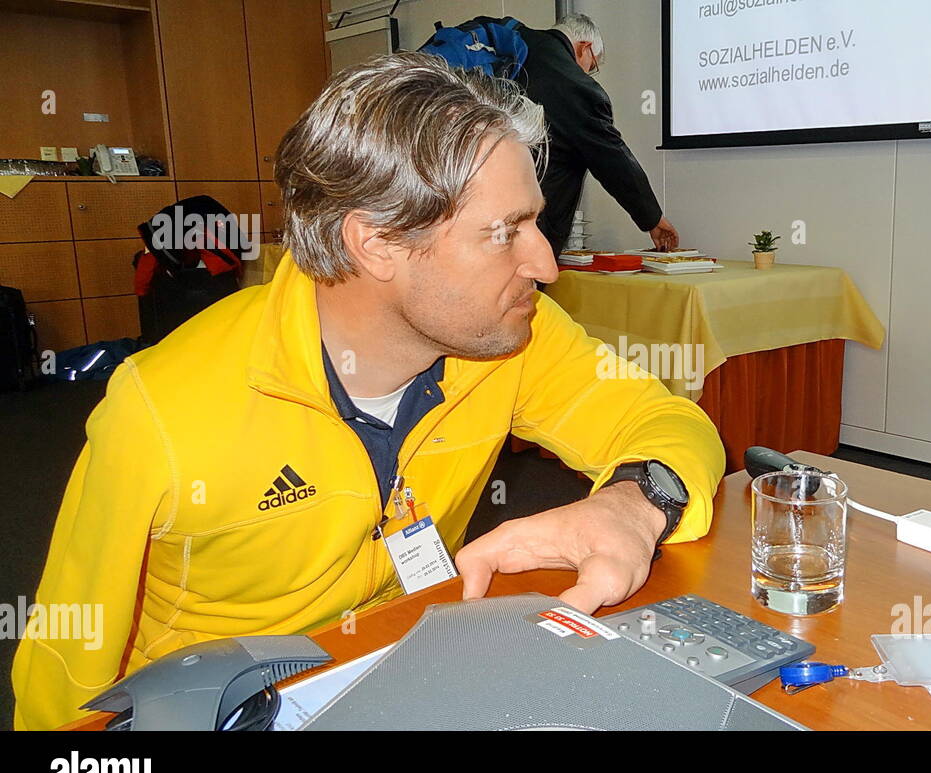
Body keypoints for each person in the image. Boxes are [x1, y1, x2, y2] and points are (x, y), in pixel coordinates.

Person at [11, 53, 724, 730]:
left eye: (536, 221)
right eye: (504, 232)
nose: (545, 263)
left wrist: (634, 504)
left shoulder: (513, 336)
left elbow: (666, 420)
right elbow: (63, 667)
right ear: (377, 243)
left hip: (413, 671)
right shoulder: (162, 409)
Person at [516, 13, 680, 255]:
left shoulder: (515, 46)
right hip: (529, 227)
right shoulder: (577, 87)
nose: (587, 74)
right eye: (591, 66)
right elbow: (611, 158)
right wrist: (653, 219)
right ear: (585, 47)